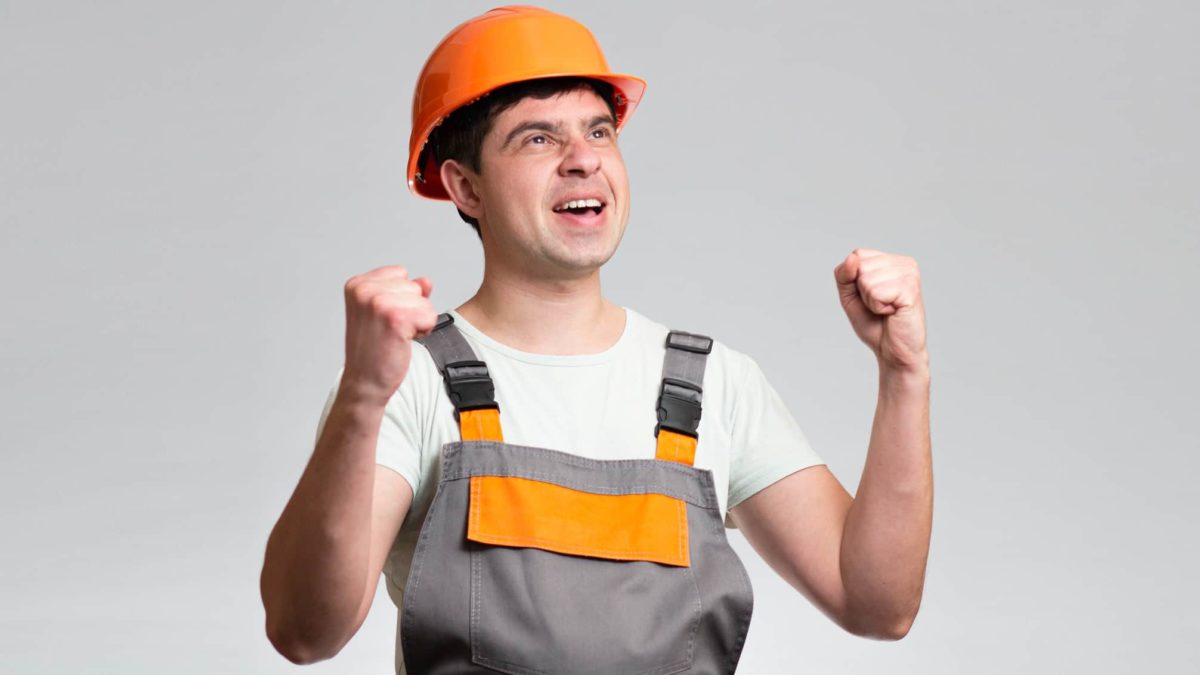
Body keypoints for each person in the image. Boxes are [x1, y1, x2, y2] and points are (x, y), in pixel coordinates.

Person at [259, 6, 932, 673]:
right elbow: (304, 631)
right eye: (538, 139)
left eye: (600, 132)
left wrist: (904, 374)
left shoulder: (714, 385)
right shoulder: (405, 380)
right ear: (466, 187)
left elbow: (876, 603)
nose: (584, 160)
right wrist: (360, 399)